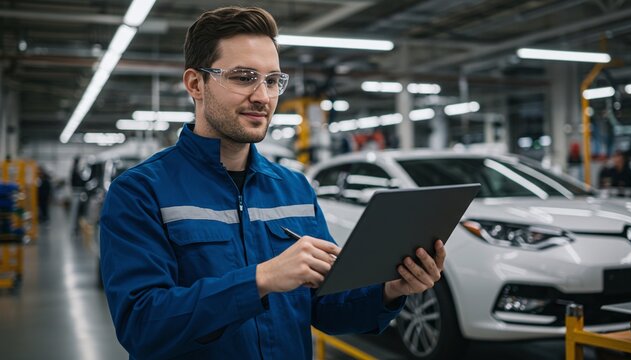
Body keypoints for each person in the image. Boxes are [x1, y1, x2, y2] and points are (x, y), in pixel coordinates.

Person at [100, 6, 446, 359]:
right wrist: (260, 280)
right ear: (195, 84)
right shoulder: (140, 192)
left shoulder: (295, 189)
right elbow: (142, 324)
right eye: (243, 77)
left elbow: (325, 309)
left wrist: (389, 290)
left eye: (272, 80)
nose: (263, 96)